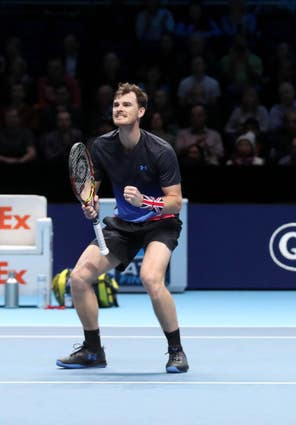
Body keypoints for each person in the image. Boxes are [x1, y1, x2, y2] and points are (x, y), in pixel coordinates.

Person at [56, 82, 188, 373]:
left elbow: (175, 202)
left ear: (140, 112)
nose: (119, 109)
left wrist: (146, 202)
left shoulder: (160, 150)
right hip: (123, 224)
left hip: (160, 224)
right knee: (79, 278)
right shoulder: (102, 146)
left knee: (151, 278)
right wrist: (89, 203)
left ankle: (176, 351)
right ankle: (93, 350)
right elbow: (93, 189)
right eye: (116, 105)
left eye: (126, 105)